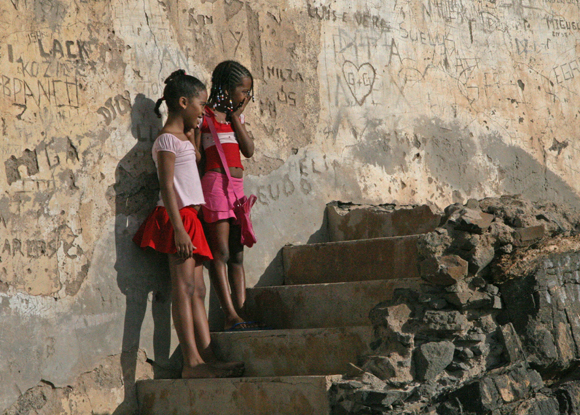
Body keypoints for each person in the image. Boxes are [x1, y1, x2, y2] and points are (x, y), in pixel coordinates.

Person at [133, 69, 243, 378]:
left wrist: (193, 137)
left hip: (190, 218)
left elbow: (192, 160)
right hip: (177, 218)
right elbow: (167, 186)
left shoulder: (182, 138)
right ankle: (191, 363)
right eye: (200, 104)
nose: (204, 111)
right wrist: (179, 230)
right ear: (183, 102)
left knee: (198, 289)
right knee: (182, 289)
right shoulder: (167, 140)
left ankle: (206, 357)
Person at [199, 60, 263, 331]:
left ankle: (242, 312)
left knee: (238, 254)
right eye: (242, 91)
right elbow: (197, 155)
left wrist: (236, 117)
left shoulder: (237, 120)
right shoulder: (204, 117)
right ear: (225, 88)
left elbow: (248, 150)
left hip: (237, 190)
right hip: (215, 186)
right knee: (221, 252)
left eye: (249, 93)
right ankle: (229, 315)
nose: (246, 97)